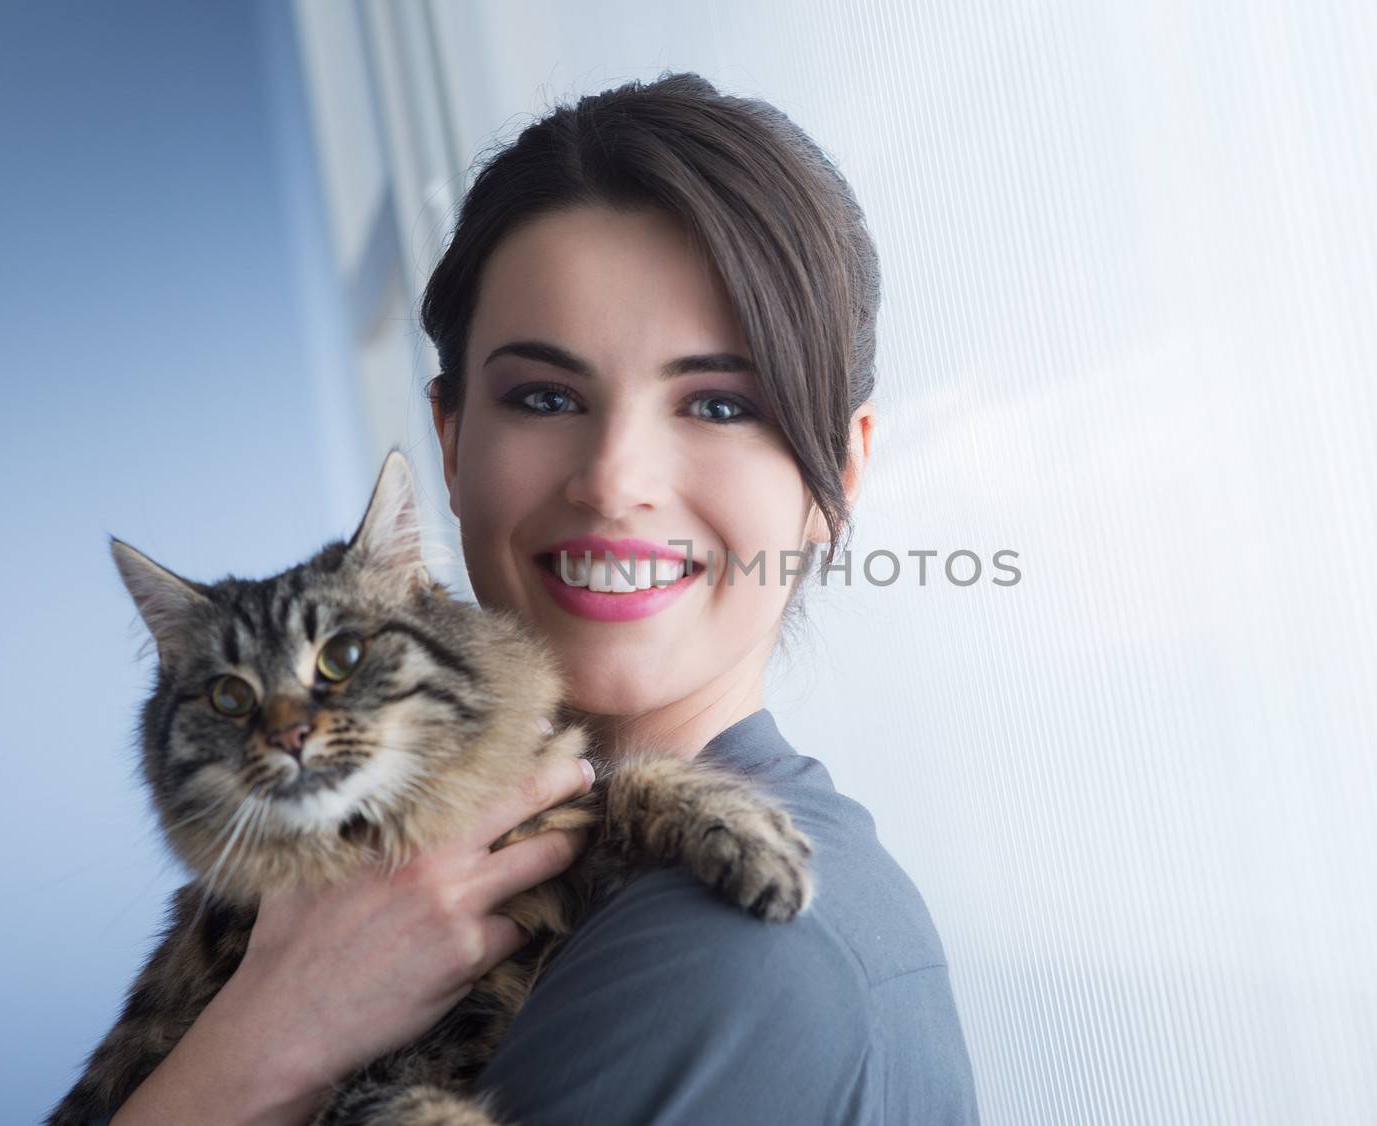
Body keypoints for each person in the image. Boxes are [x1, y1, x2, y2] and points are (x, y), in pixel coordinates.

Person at [101, 71, 978, 1125]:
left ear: (837, 476)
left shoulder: (720, 958)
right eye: (546, 396)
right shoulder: (388, 890)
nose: (613, 479)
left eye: (717, 402)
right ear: (451, 444)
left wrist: (266, 1046)